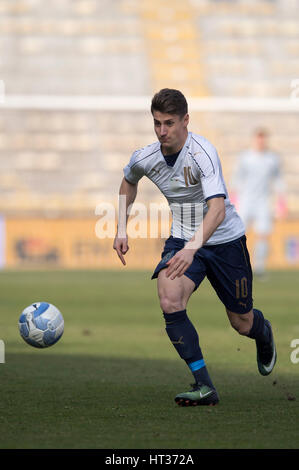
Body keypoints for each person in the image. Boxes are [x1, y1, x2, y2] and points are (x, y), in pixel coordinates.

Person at [113, 89, 277, 407]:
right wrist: (121, 226)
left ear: (185, 120)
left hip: (225, 239)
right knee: (169, 297)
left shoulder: (203, 152)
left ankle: (263, 331)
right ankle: (205, 386)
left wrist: (190, 250)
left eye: (169, 123)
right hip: (183, 237)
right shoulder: (145, 156)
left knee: (241, 322)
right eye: (157, 123)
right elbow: (128, 180)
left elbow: (217, 210)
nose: (162, 131)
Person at [230, 128, 287, 277]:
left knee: (263, 234)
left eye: (263, 139)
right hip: (246, 200)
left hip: (263, 201)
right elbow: (237, 178)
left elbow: (278, 180)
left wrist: (281, 201)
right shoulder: (245, 157)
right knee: (239, 234)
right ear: (254, 139)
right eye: (258, 138)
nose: (261, 142)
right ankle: (237, 264)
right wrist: (234, 200)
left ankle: (259, 268)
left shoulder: (272, 159)